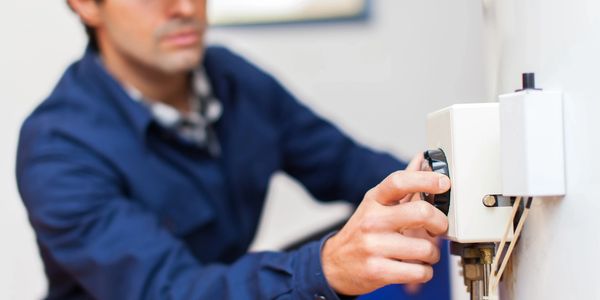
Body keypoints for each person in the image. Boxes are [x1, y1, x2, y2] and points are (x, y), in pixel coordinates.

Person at [16, 0, 451, 299]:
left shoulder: (233, 79)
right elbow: (170, 291)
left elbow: (346, 164)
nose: (185, 8)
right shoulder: (57, 147)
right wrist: (327, 267)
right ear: (87, 5)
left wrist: (429, 199)